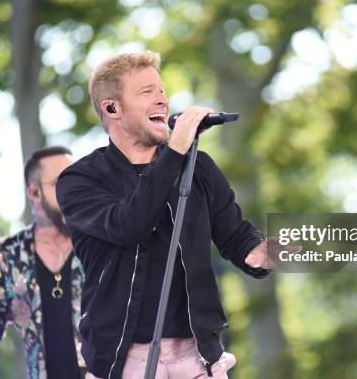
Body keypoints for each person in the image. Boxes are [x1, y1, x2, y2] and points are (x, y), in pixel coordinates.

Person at [56, 50, 274, 379]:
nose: (162, 100)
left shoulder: (197, 166)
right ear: (112, 108)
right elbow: (128, 225)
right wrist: (176, 150)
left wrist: (259, 252)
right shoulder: (80, 180)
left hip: (199, 356)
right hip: (126, 360)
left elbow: (235, 234)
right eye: (148, 92)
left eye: (163, 91)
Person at [0, 146, 89, 379]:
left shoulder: (98, 243)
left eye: (76, 180)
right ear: (34, 193)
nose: (72, 190)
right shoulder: (8, 256)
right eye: (60, 182)